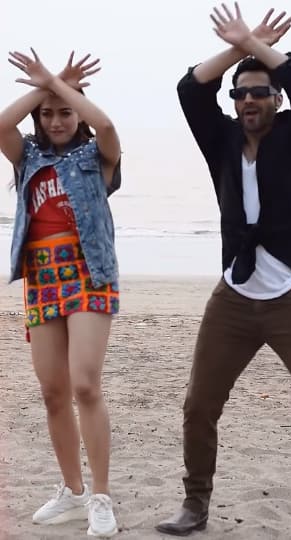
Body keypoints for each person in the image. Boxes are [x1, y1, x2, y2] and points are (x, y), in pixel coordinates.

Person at [155, 5, 291, 539]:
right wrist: (239, 47)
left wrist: (259, 47)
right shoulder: (221, 141)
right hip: (234, 295)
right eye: (240, 94)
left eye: (260, 92)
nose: (248, 101)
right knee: (199, 406)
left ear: (276, 99)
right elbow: (190, 90)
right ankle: (195, 505)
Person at [0, 49, 122, 537]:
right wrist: (46, 87)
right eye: (47, 113)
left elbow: (106, 126)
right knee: (53, 393)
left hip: (90, 274)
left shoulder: (97, 156)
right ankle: (73, 493)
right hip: (42, 278)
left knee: (85, 384)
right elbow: (1, 125)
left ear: (79, 114)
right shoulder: (28, 157)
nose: (55, 121)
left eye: (66, 112)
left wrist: (59, 83)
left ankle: (101, 497)